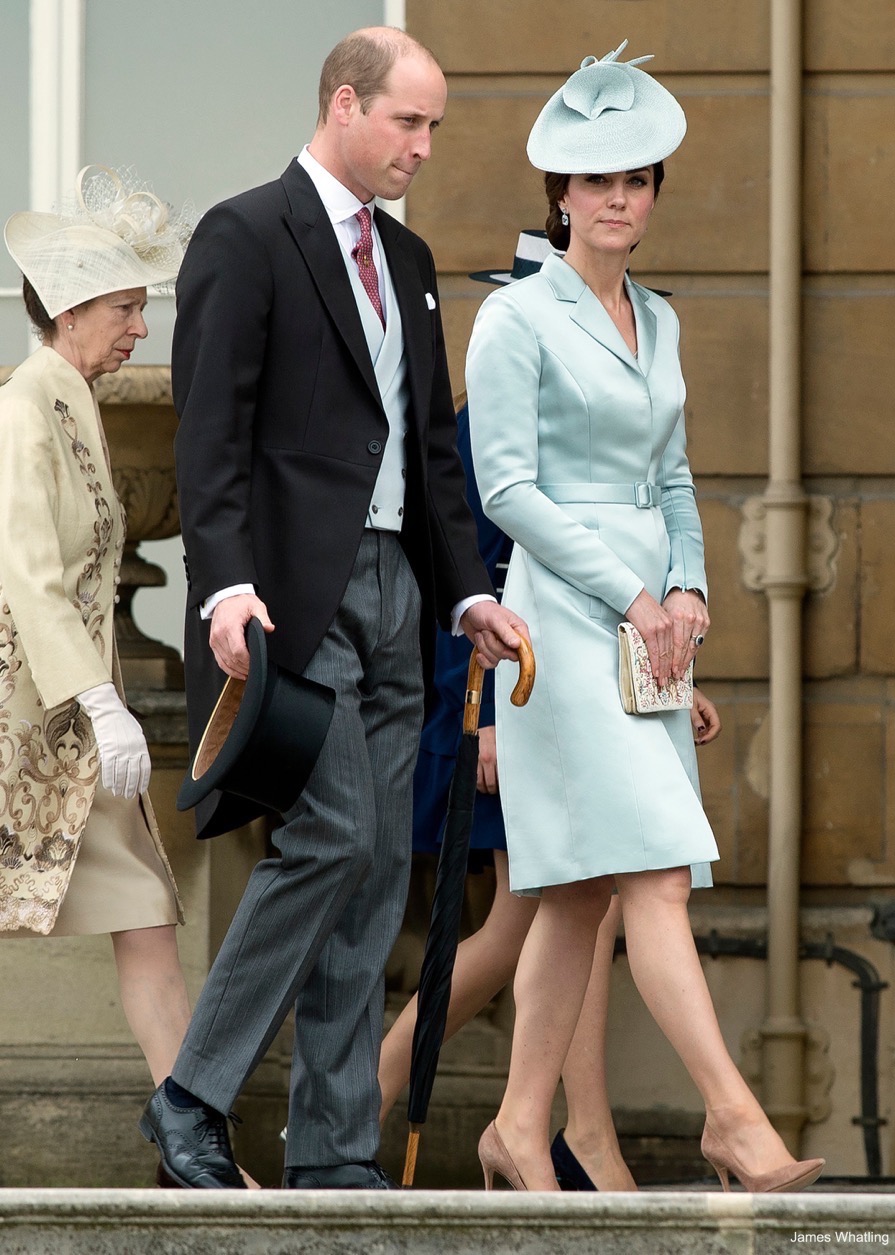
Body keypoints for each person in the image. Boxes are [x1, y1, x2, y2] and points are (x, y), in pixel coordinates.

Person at [139, 26, 527, 1191]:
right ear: (344, 105)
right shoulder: (245, 234)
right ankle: (192, 1096)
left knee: (374, 867)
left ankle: (335, 1148)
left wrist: (466, 591)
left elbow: (432, 449)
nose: (423, 146)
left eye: (433, 128)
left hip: (399, 599)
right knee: (332, 833)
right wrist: (226, 583)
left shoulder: (407, 261)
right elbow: (207, 436)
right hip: (290, 602)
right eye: (408, 122)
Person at [465, 43, 825, 1193]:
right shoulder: (516, 320)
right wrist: (632, 597)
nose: (622, 197)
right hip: (560, 627)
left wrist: (692, 594)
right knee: (661, 871)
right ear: (561, 196)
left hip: (648, 626)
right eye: (600, 179)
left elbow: (673, 481)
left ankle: (522, 1124)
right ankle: (732, 1115)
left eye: (640, 178)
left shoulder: (659, 322)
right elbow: (507, 491)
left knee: (574, 889)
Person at [378, 230, 724, 1193]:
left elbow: (632, 520)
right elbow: (474, 584)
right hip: (508, 702)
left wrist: (674, 677)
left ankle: (555, 1130)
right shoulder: (495, 401)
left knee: (578, 908)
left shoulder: (601, 391)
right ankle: (385, 1093)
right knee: (526, 923)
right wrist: (477, 723)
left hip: (574, 682)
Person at [0, 166, 192, 1088]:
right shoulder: (24, 404)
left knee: (150, 910)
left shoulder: (72, 397)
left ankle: (192, 1142)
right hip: (29, 723)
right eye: (125, 307)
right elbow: (31, 577)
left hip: (78, 728)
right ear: (70, 309)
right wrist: (103, 703)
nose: (140, 327)